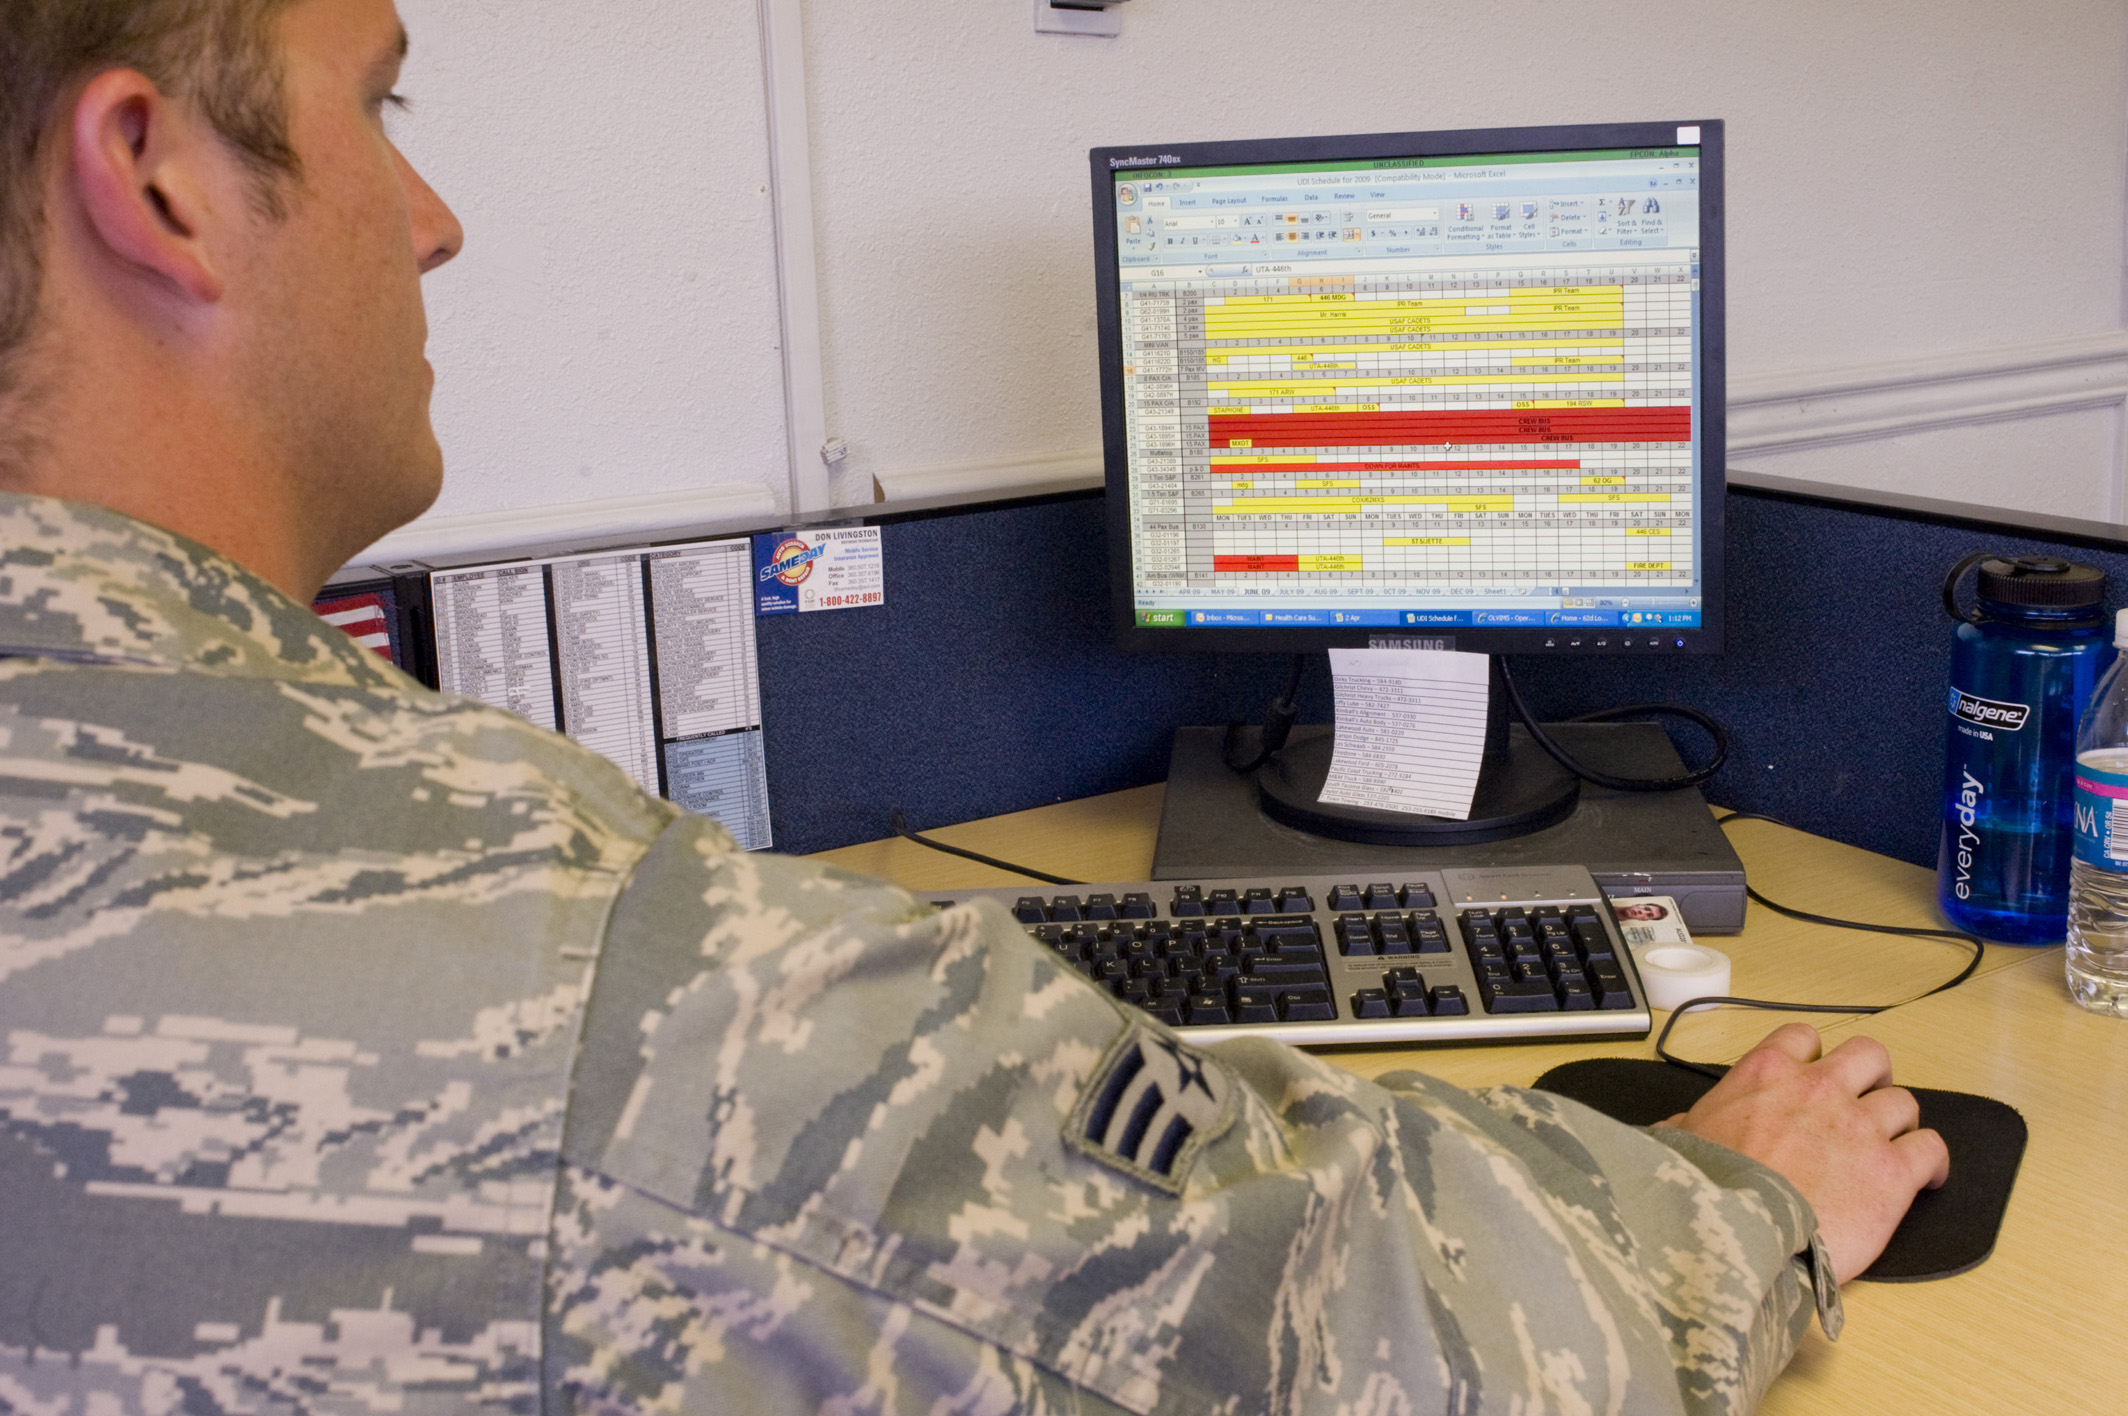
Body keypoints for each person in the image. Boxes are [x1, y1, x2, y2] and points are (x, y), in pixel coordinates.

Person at [0, 3, 1949, 1413]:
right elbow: (1343, 1326)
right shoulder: (525, 950)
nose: (430, 217)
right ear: (154, 175)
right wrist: (1735, 1205)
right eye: (378, 101)